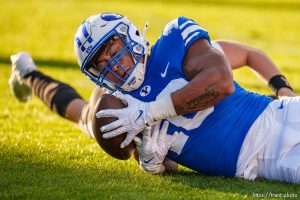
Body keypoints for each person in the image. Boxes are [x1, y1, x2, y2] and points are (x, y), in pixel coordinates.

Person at [9, 12, 299, 184]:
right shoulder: (118, 108)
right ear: (96, 74)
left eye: (112, 47)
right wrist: (152, 162)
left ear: (130, 34)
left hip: (275, 115)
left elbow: (222, 83)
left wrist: (151, 111)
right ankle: (28, 73)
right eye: (102, 61)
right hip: (256, 163)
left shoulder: (175, 43)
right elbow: (169, 163)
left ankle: (27, 72)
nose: (114, 62)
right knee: (85, 117)